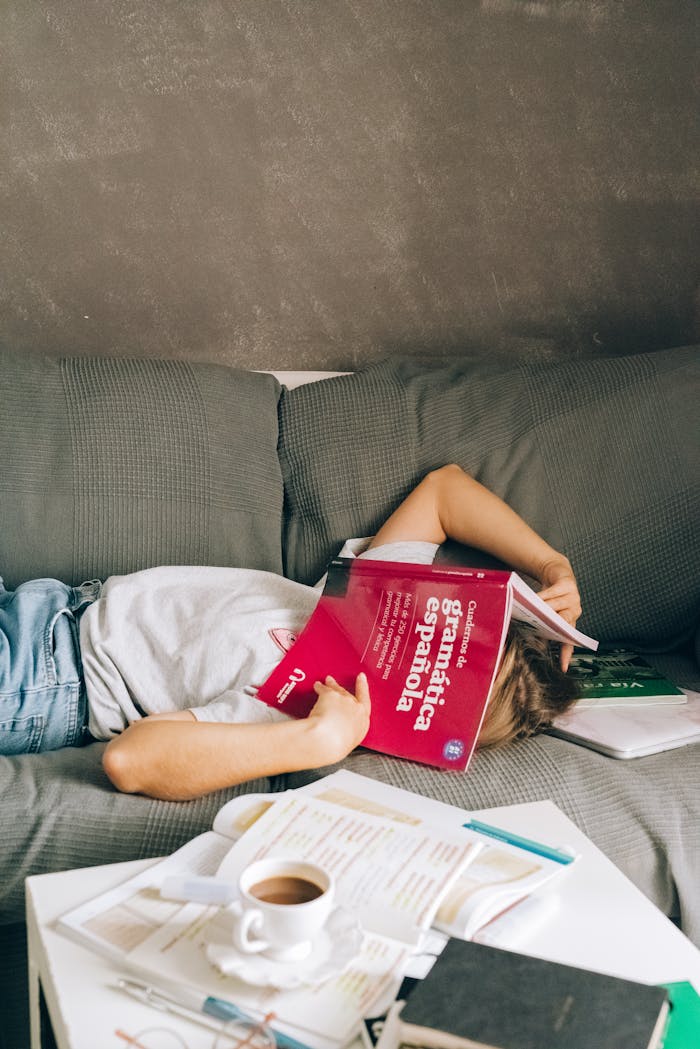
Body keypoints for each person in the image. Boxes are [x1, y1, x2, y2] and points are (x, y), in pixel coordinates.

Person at [0, 465, 582, 800]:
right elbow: (444, 491)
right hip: (54, 604)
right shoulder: (372, 602)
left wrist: (314, 742)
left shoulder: (298, 709)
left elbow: (130, 761)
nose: (418, 652)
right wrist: (552, 565)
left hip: (46, 684)